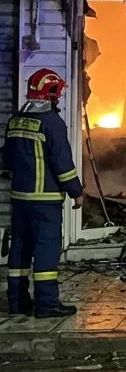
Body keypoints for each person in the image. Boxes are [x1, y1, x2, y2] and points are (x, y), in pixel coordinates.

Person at [2, 69, 83, 317]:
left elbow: (6, 160)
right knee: (46, 249)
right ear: (52, 93)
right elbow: (62, 163)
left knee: (20, 248)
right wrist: (76, 191)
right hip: (45, 201)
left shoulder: (15, 120)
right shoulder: (52, 122)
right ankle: (47, 304)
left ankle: (17, 302)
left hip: (20, 199)